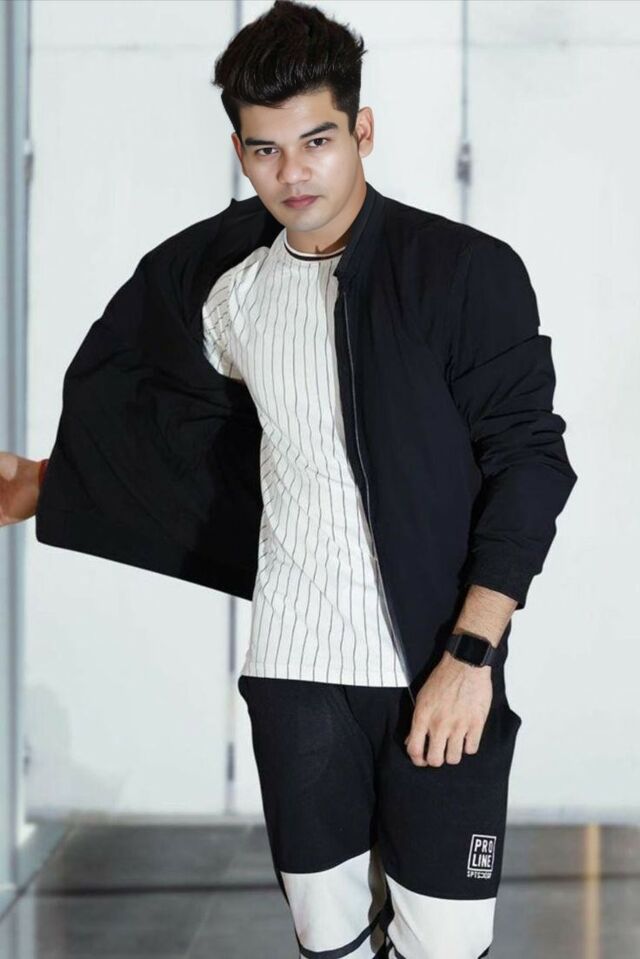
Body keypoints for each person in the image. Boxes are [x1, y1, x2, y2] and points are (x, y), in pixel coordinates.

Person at [0, 1, 578, 956]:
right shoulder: (231, 294)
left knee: (444, 945)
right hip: (295, 674)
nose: (293, 173)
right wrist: (43, 481)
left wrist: (472, 656)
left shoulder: (463, 273)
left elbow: (531, 462)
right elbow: (189, 440)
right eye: (266, 150)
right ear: (241, 153)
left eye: (317, 141)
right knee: (329, 946)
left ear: (363, 130)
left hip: (436, 666)